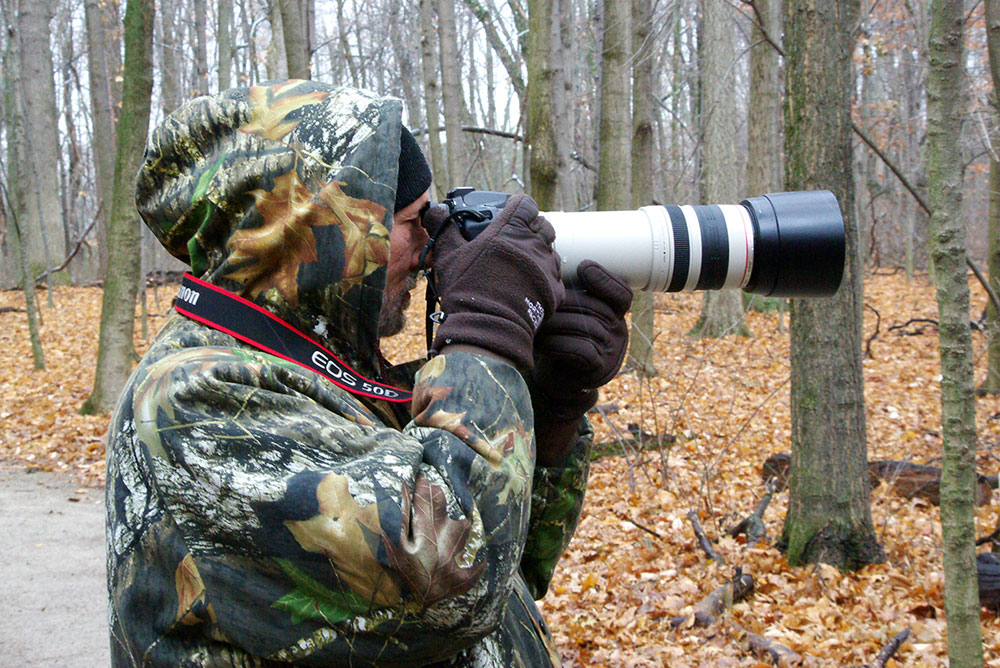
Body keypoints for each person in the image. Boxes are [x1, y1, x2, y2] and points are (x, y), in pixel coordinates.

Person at [106, 79, 632, 667]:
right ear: (320, 233)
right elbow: (452, 579)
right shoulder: (193, 404)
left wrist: (549, 401)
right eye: (409, 222)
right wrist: (488, 331)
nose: (429, 249)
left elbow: (513, 566)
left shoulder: (325, 377)